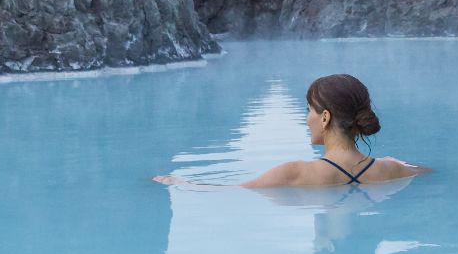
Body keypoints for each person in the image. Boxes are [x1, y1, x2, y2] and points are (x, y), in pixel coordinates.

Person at [152, 73, 431, 188]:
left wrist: (180, 184)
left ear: (325, 117)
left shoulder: (294, 173)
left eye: (309, 110)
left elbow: (230, 192)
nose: (306, 117)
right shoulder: (392, 169)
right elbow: (426, 171)